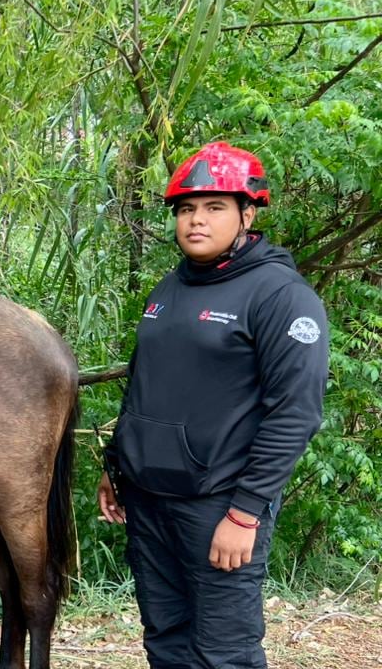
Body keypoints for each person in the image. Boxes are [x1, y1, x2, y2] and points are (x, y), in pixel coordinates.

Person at [97, 141, 329, 668]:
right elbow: (146, 386)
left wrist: (245, 513)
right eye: (186, 209)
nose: (195, 221)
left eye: (213, 207)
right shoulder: (169, 288)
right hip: (148, 500)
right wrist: (117, 465)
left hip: (219, 503)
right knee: (166, 638)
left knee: (225, 652)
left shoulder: (279, 296)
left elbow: (295, 413)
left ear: (247, 213)